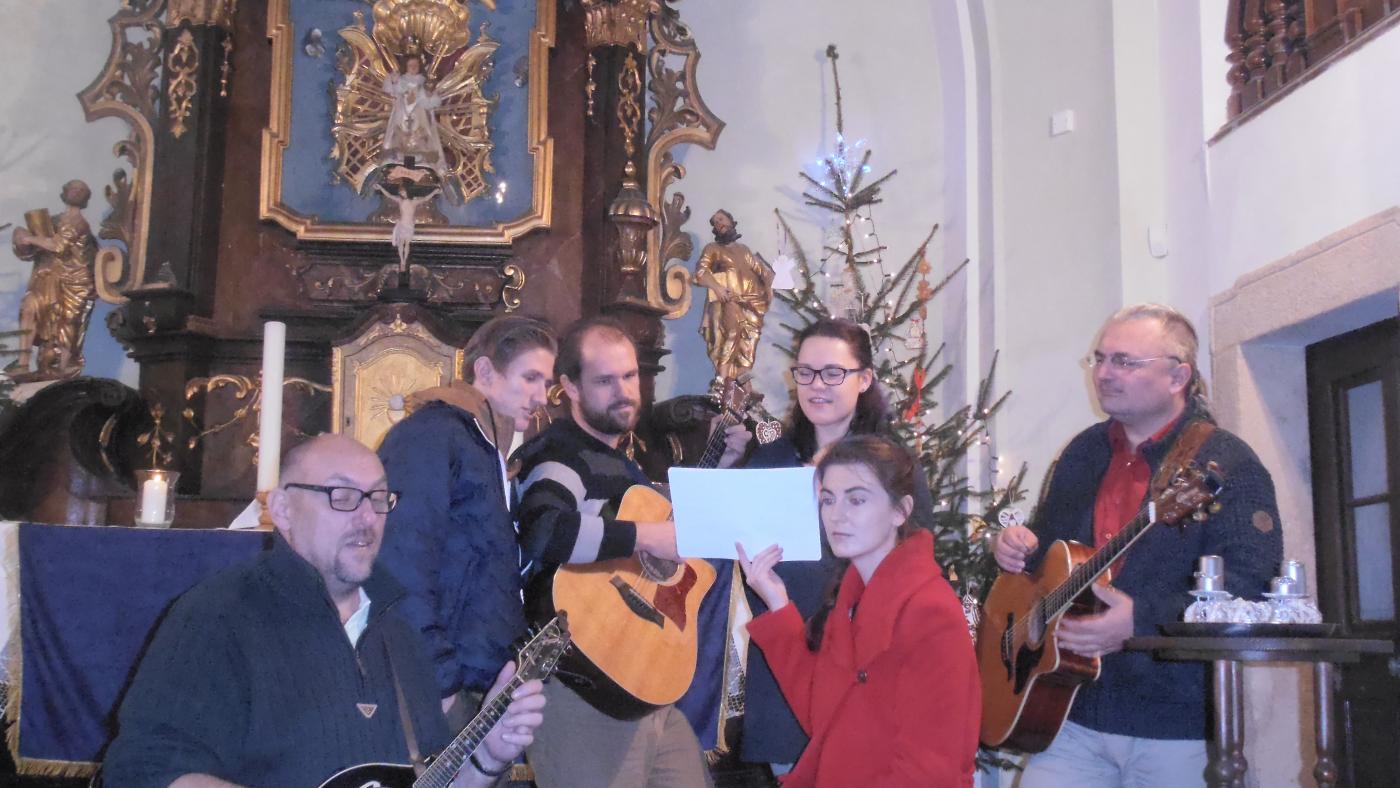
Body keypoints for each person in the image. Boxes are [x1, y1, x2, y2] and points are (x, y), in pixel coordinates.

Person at [103, 434, 546, 788]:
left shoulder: (399, 632)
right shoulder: (217, 615)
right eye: (342, 495)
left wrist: (487, 757)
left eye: (378, 497)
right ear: (282, 510)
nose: (367, 517)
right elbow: (145, 770)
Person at [991, 303, 1283, 787]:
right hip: (1070, 711)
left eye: (1124, 361)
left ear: (1178, 376)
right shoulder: (1083, 452)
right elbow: (1051, 552)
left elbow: (1253, 585)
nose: (1104, 373)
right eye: (1100, 359)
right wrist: (1018, 548)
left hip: (1175, 724)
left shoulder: (1227, 464)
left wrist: (1141, 619)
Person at [513, 316, 711, 788]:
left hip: (646, 682)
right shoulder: (561, 454)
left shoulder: (626, 463)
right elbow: (544, 531)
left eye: (629, 376)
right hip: (581, 687)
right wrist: (646, 537)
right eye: (604, 381)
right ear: (570, 387)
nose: (623, 392)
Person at [739, 317, 935, 767]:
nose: (816, 385)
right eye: (805, 372)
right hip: (785, 660)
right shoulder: (771, 459)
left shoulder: (892, 464)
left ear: (864, 379)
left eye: (833, 373)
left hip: (861, 662)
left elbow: (915, 566)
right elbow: (739, 545)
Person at [737, 434, 979, 786]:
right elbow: (824, 715)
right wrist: (777, 603)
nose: (837, 516)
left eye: (857, 499)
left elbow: (929, 771)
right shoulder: (852, 598)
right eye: (828, 500)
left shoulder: (929, 611)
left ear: (900, 511)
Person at [377, 315, 556, 725]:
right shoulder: (431, 436)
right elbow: (400, 562)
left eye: (546, 382)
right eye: (531, 378)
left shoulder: (488, 448)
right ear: (486, 371)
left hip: (480, 680)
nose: (543, 397)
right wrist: (438, 681)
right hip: (442, 686)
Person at [692, 209, 775, 382]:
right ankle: (721, 381)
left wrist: (769, 288)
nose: (719, 223)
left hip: (752, 303)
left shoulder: (744, 250)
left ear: (731, 221)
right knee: (732, 333)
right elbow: (700, 272)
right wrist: (717, 288)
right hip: (729, 300)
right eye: (715, 222)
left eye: (721, 219)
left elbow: (763, 272)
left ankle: (742, 384)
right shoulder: (713, 249)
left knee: (750, 341)